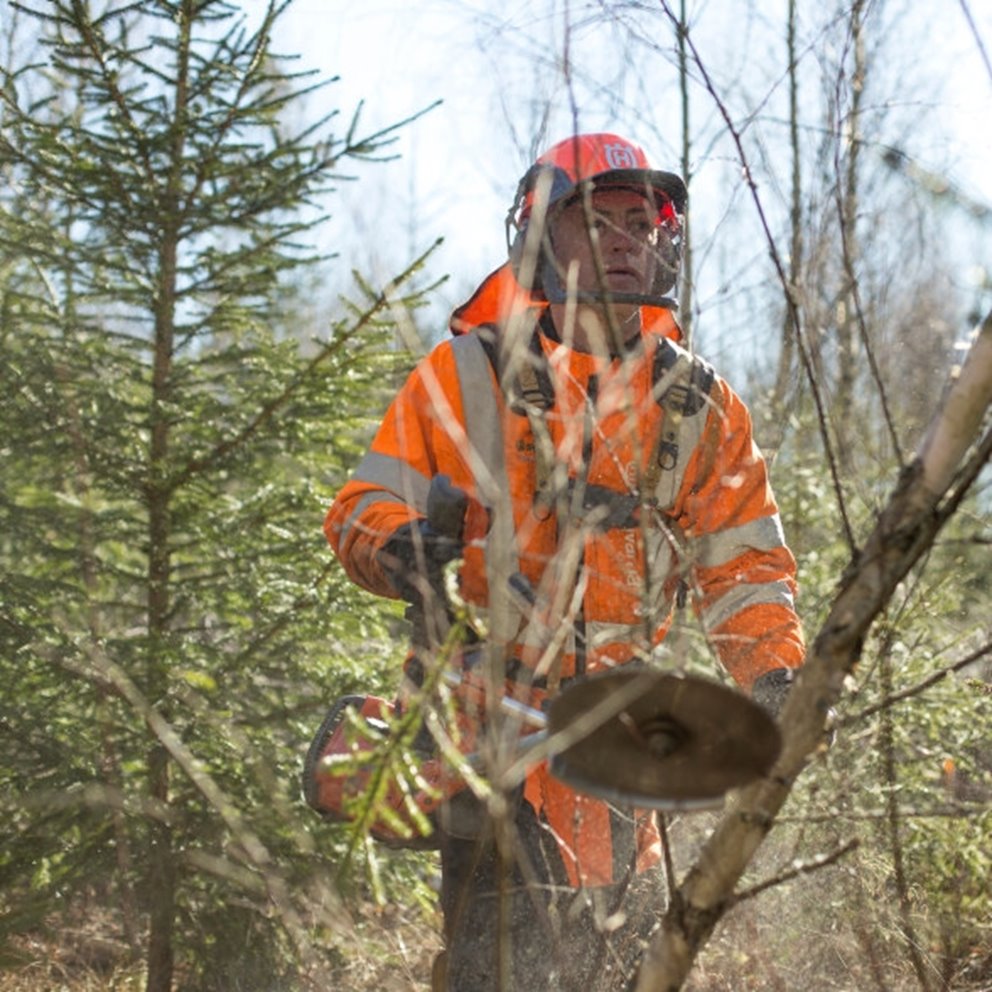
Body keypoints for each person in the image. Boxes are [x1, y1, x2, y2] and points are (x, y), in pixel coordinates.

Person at [324, 132, 805, 991]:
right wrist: (408, 548)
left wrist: (775, 677)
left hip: (630, 753)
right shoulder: (463, 375)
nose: (629, 239)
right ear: (544, 238)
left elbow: (746, 567)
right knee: (501, 971)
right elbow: (361, 509)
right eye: (600, 220)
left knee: (629, 975)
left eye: (644, 221)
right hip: (491, 746)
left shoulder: (698, 407)